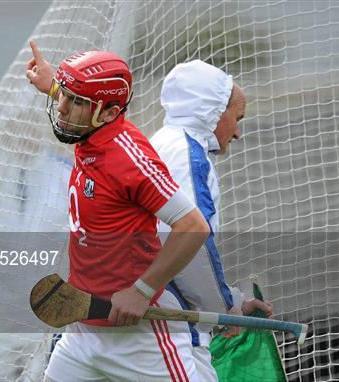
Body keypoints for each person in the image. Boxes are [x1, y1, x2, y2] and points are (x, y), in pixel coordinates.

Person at [26, 41, 210, 381]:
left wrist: (141, 290)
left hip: (139, 339)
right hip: (83, 329)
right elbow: (82, 108)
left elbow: (193, 226)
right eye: (64, 96)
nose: (62, 108)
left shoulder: (129, 157)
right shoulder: (90, 127)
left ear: (109, 113)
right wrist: (56, 85)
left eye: (75, 100)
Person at [151, 60, 274, 381]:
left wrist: (228, 300)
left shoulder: (160, 142)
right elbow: (187, 242)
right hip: (163, 326)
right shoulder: (187, 154)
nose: (237, 132)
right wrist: (223, 307)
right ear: (213, 110)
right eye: (237, 118)